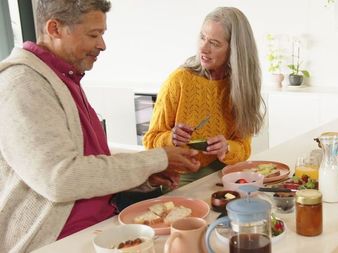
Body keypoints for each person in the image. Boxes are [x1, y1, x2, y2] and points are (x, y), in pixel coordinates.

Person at [0, 0, 200, 252]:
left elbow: (91, 166)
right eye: (94, 35)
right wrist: (156, 160)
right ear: (55, 29)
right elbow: (61, 179)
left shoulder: (63, 78)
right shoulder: (23, 84)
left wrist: (142, 178)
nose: (102, 45)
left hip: (102, 228)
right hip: (60, 242)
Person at [143, 7, 264, 185]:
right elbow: (150, 140)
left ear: (234, 50)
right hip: (181, 181)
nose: (203, 48)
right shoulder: (179, 81)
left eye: (214, 43)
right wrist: (171, 138)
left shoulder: (241, 86)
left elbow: (244, 147)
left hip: (225, 176)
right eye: (202, 37)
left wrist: (227, 148)